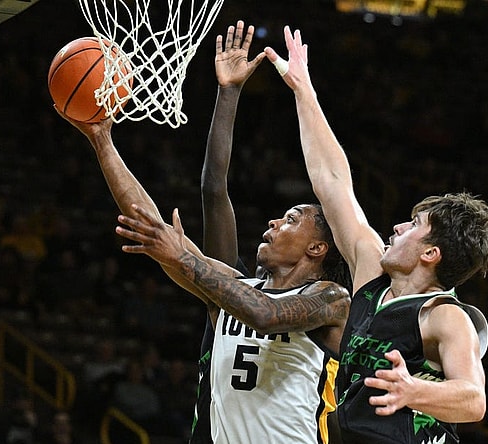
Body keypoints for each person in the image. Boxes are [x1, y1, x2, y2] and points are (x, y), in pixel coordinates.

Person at [56, 20, 352, 444]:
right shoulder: (231, 288)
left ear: (318, 247)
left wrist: (184, 258)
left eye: (290, 219)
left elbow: (265, 315)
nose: (272, 223)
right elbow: (169, 214)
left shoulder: (330, 300)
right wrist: (102, 140)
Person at [265, 26, 488, 443]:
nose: (397, 227)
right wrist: (304, 91)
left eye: (414, 225)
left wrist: (414, 390)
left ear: (431, 253)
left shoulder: (444, 316)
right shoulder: (372, 272)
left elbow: (473, 399)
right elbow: (333, 181)